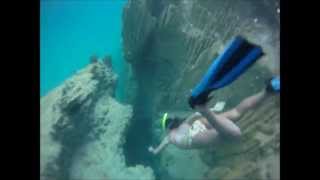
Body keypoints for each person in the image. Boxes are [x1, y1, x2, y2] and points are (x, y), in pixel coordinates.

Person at [148, 77, 279, 155]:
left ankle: (207, 111)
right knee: (236, 111)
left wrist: (152, 150)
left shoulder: (170, 137)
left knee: (235, 136)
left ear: (168, 128)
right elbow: (195, 114)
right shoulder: (185, 123)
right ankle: (267, 91)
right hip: (199, 124)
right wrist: (214, 108)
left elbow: (158, 150)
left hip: (193, 138)